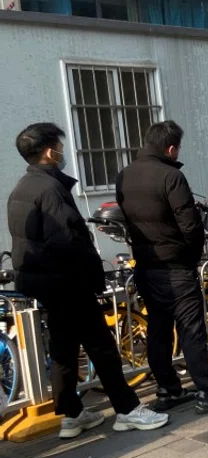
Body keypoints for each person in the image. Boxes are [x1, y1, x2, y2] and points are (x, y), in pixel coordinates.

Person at [8, 123, 169, 438]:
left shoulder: (21, 188)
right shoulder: (50, 189)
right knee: (101, 346)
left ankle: (71, 414)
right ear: (50, 151)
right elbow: (70, 240)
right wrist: (94, 276)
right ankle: (126, 409)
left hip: (46, 285)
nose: (62, 152)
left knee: (63, 350)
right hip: (69, 284)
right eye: (60, 146)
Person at [116, 120, 208, 414]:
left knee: (159, 330)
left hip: (146, 265)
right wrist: (189, 258)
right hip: (175, 266)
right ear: (171, 148)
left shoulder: (125, 175)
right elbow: (190, 225)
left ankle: (168, 389)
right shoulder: (171, 177)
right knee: (191, 331)